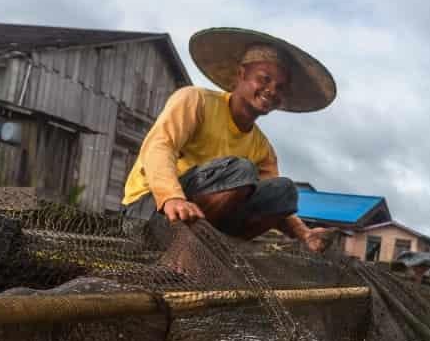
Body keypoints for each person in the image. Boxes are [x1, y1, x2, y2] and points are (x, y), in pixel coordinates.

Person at [121, 27, 336, 252]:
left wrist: (305, 233)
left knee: (284, 190)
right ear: (242, 74)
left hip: (203, 223)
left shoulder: (262, 148)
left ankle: (214, 249)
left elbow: (275, 203)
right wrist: (171, 198)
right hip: (151, 210)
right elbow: (159, 147)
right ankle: (182, 250)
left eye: (279, 87)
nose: (271, 90)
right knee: (241, 170)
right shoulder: (196, 100)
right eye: (264, 79)